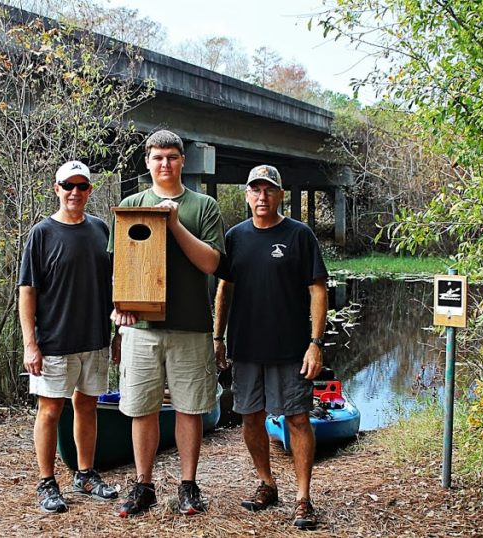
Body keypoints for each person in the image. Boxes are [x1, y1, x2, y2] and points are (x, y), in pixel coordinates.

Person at [109, 130, 224, 517]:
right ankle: (143, 486)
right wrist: (119, 309)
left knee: (190, 409)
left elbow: (211, 264)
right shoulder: (131, 205)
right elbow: (119, 268)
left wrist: (173, 223)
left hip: (190, 327)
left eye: (172, 157)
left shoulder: (203, 205)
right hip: (141, 331)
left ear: (182, 161)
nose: (165, 164)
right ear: (147, 162)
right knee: (141, 408)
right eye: (158, 158)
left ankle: (188, 486)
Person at [213, 164, 328, 530]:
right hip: (245, 348)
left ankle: (303, 498)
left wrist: (315, 343)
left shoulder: (299, 235)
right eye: (255, 190)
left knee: (297, 419)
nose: (262, 197)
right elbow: (224, 290)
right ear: (247, 195)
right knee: (249, 417)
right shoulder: (234, 237)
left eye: (269, 190)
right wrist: (218, 337)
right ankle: (267, 482)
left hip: (291, 348)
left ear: (280, 195)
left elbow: (318, 290)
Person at [18, 160, 120, 514]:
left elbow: (115, 286)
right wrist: (31, 344)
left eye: (82, 186)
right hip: (54, 341)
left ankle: (86, 473)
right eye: (68, 186)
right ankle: (47, 482)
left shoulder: (102, 230)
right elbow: (27, 291)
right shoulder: (42, 233)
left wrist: (117, 333)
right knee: (49, 410)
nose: (75, 192)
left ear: (90, 190)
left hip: (94, 337)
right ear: (56, 188)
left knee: (87, 405)